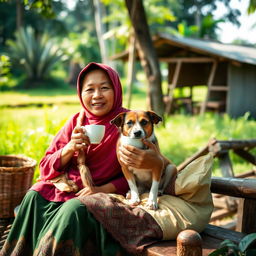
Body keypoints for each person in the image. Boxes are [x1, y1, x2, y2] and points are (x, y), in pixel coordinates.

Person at [0, 62, 214, 256]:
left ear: (116, 89)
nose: (97, 95)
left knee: (74, 209)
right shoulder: (76, 121)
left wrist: (99, 190)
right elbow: (46, 169)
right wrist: (69, 148)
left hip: (100, 195)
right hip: (69, 188)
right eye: (89, 89)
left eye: (104, 88)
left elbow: (141, 176)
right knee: (34, 195)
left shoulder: (130, 124)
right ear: (80, 93)